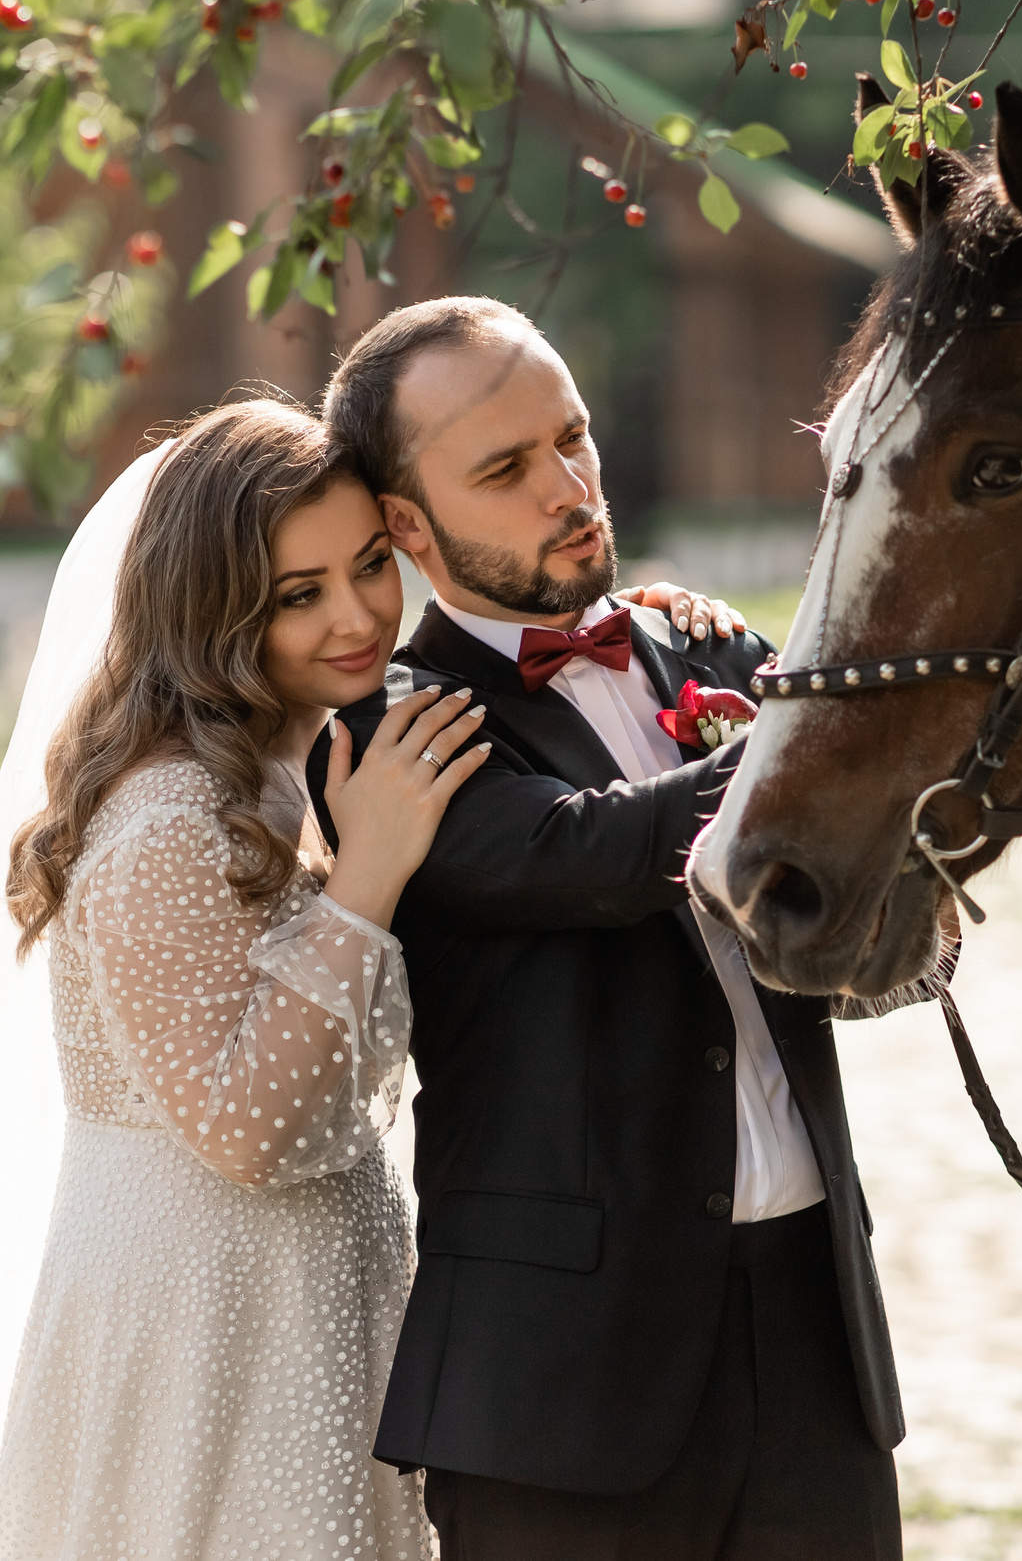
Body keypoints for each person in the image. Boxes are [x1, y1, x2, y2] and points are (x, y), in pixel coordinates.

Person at [0, 400, 749, 1561]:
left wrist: (650, 620)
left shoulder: (301, 764)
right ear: (212, 612)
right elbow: (244, 1130)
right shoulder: (167, 817)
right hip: (202, 1326)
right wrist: (367, 875)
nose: (358, 616)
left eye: (369, 566)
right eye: (295, 595)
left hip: (321, 1298)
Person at [313, 297, 910, 1561]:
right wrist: (825, 733)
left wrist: (907, 901)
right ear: (407, 525)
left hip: (814, 1334)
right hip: (556, 1389)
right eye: (506, 468)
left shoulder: (723, 657)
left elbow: (877, 914)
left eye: (571, 438)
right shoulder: (391, 733)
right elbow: (588, 849)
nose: (568, 484)